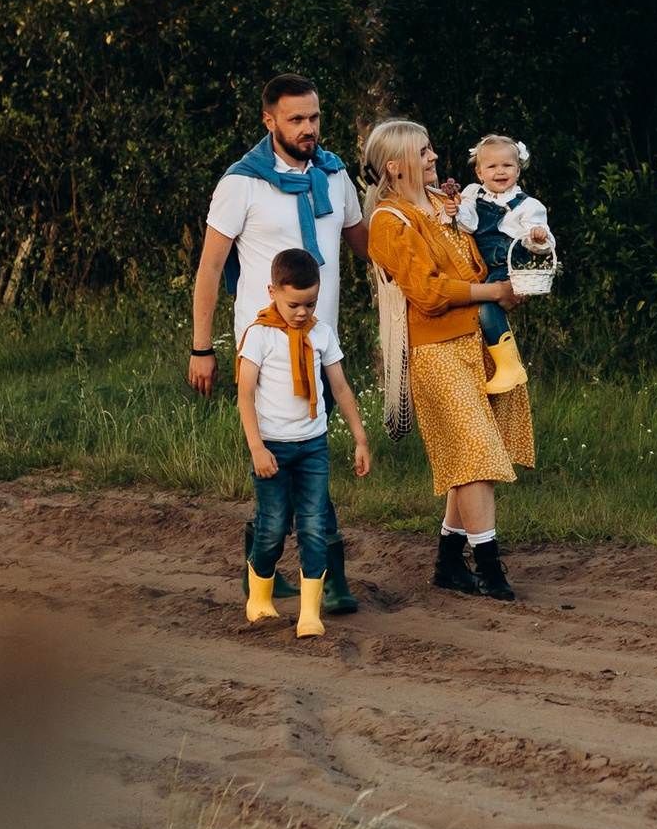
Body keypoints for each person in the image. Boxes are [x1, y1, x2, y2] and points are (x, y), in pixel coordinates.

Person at [191, 73, 366, 616]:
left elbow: (365, 245)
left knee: (311, 456)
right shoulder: (241, 183)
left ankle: (310, 575)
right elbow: (211, 267)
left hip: (320, 344)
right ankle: (300, 573)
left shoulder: (334, 175)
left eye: (314, 117)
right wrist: (202, 347)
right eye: (296, 119)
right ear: (269, 121)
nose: (308, 128)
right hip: (264, 353)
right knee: (278, 460)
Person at [361, 115, 533, 601]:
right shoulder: (388, 223)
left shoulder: (445, 203)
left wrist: (511, 283)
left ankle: (448, 563)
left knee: (467, 455)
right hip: (435, 351)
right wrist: (490, 292)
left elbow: (479, 260)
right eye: (423, 151)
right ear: (395, 166)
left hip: (479, 340)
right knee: (475, 454)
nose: (434, 156)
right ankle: (490, 568)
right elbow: (429, 292)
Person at [236, 248, 371, 641]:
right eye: (293, 304)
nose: (301, 312)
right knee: (272, 527)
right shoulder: (259, 335)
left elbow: (340, 388)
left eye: (310, 304)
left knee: (313, 526)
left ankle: (309, 612)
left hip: (313, 447)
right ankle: (259, 597)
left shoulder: (321, 333)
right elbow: (245, 396)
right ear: (272, 292)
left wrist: (360, 438)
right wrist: (257, 449)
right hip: (272, 449)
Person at [454, 132, 555, 400]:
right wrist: (456, 210)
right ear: (479, 172)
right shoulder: (473, 193)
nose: (500, 171)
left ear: (518, 170)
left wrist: (537, 237)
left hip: (506, 265)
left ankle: (509, 365)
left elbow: (545, 242)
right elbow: (468, 225)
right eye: (492, 166)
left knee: (487, 307)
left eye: (507, 165)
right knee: (475, 309)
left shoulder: (527, 205)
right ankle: (494, 362)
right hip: (480, 264)